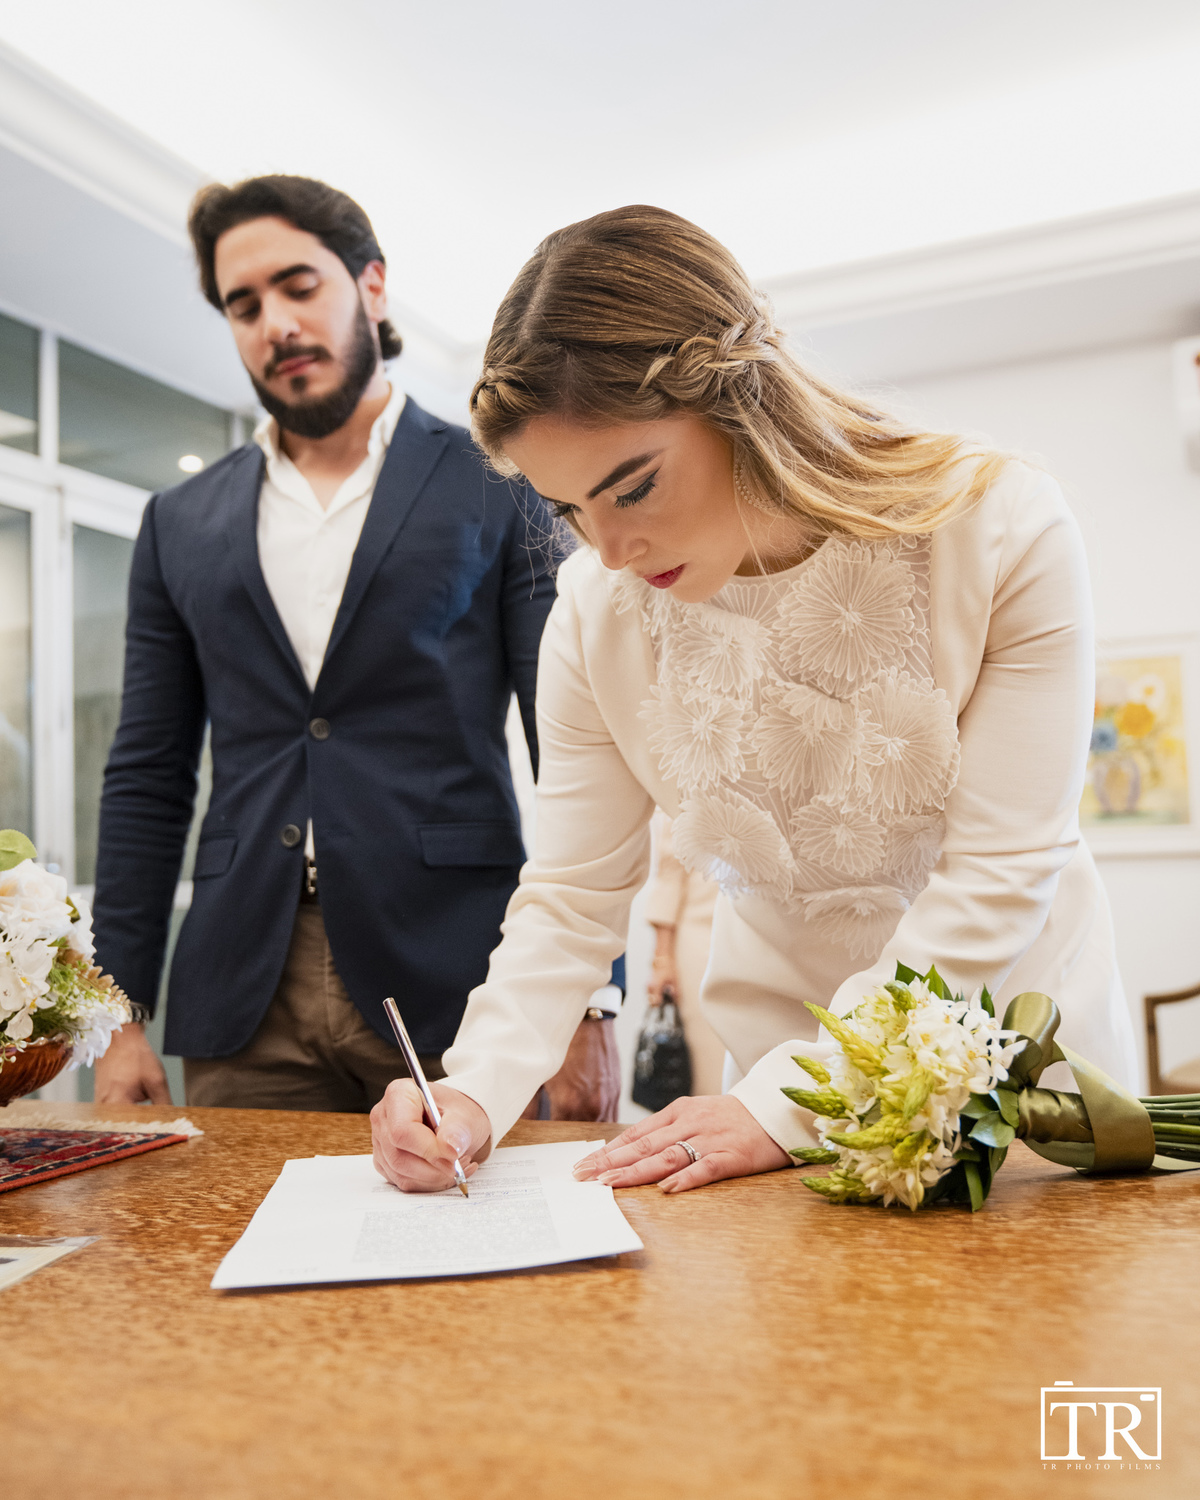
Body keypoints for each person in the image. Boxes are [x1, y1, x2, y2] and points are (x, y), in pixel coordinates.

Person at [370, 203, 1136, 1194]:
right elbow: (571, 896)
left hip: (1024, 1080)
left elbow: (998, 876)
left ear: (741, 400)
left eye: (632, 486)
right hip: (760, 1111)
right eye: (569, 509)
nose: (609, 550)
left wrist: (789, 1102)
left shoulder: (998, 527)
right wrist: (470, 1091)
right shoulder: (598, 619)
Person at [91, 175, 621, 1115]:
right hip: (242, 988)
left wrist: (589, 1000)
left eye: (299, 286)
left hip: (460, 974)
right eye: (243, 305)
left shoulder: (500, 481)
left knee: (474, 1257)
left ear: (372, 286)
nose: (274, 324)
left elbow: (578, 745)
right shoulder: (179, 520)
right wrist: (116, 1010)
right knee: (232, 1249)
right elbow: (147, 772)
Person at [644, 811, 724, 1097]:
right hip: (704, 937)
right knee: (713, 1077)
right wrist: (662, 958)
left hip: (780, 938)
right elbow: (669, 867)